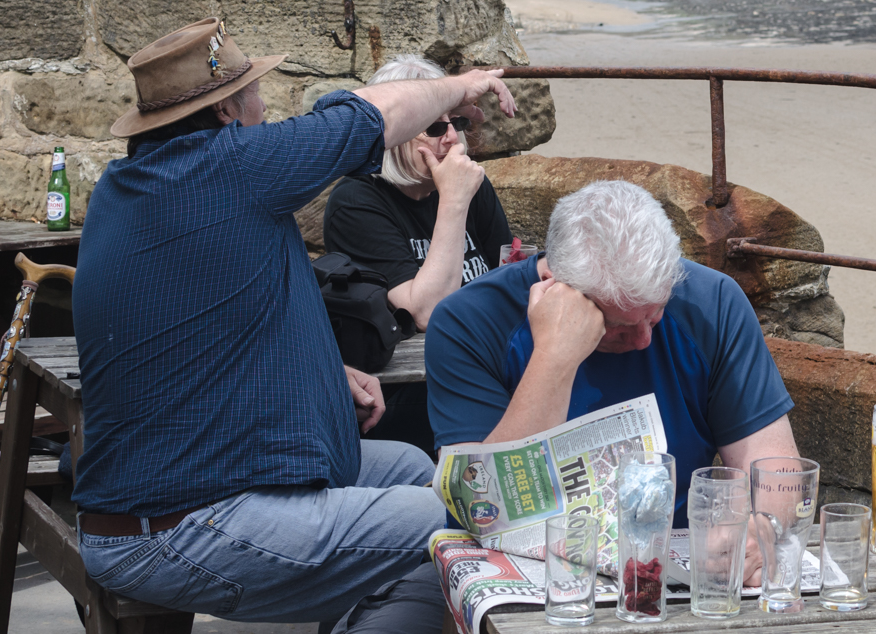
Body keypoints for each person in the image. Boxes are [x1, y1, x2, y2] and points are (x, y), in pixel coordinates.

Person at [71, 17, 515, 625]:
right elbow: (368, 114)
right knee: (468, 514)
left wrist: (324, 371)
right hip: (178, 525)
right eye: (255, 90)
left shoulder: (129, 185)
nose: (266, 103)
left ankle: (367, 616)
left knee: (417, 467)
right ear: (228, 110)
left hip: (193, 480)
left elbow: (202, 323)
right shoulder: (231, 169)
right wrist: (459, 86)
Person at [333, 179, 798, 633]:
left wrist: (762, 525)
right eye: (617, 325)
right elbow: (487, 510)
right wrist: (555, 354)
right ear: (557, 286)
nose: (643, 340)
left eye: (654, 315)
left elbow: (774, 466)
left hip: (661, 574)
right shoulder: (468, 321)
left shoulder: (712, 301)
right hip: (506, 569)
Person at [323, 54, 513, 453]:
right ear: (396, 133)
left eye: (457, 124)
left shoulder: (467, 185)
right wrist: (454, 202)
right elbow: (426, 311)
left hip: (482, 362)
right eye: (434, 127)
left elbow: (508, 277)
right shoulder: (357, 201)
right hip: (408, 389)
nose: (453, 139)